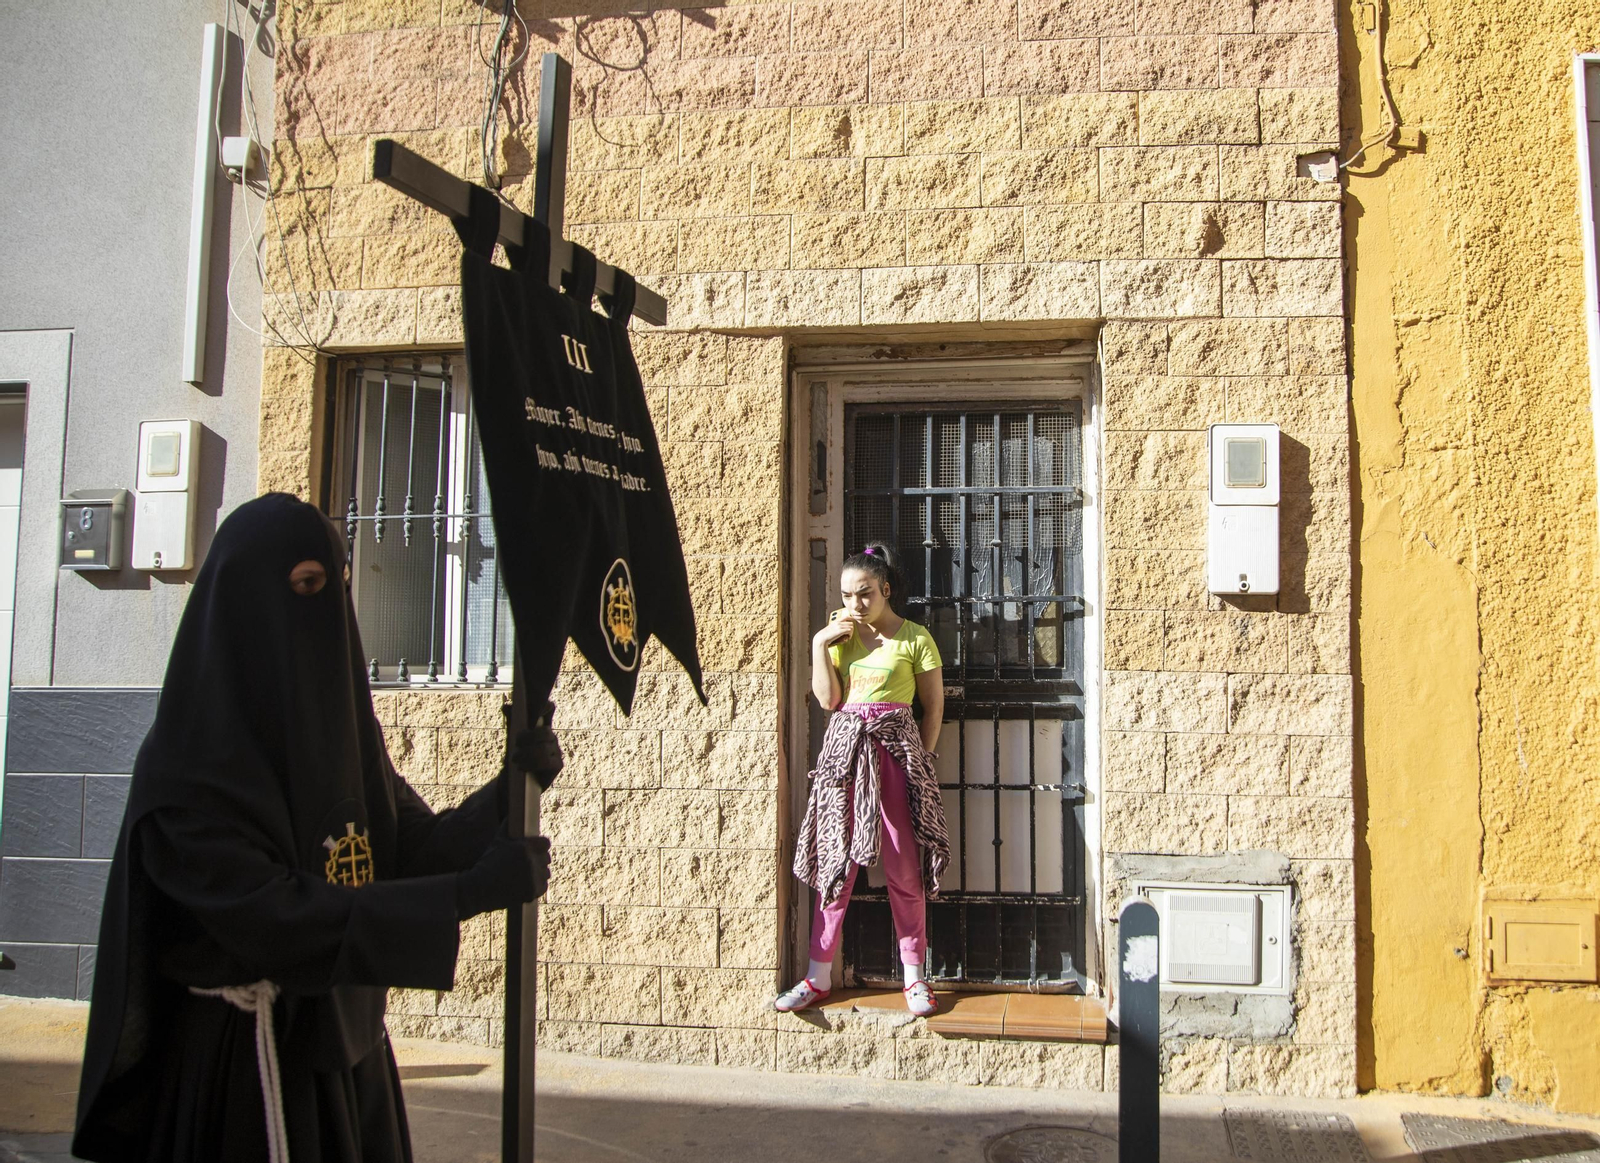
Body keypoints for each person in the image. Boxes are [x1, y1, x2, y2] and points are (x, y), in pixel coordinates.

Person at [73, 493, 554, 1163]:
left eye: (337, 586)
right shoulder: (186, 769)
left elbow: (405, 846)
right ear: (244, 603)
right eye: (306, 586)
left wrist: (508, 793)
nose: (327, 611)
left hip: (344, 1051)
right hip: (246, 1070)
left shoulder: (341, 738)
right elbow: (277, 917)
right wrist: (463, 894)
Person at [781, 542, 951, 1018]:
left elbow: (933, 706)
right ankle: (817, 976)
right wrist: (820, 643)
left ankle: (915, 978)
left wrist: (925, 757)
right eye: (847, 595)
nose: (856, 604)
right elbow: (828, 700)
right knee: (837, 860)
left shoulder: (915, 637)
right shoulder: (839, 640)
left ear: (886, 590)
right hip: (846, 754)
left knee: (902, 865)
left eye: (865, 594)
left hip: (896, 753)